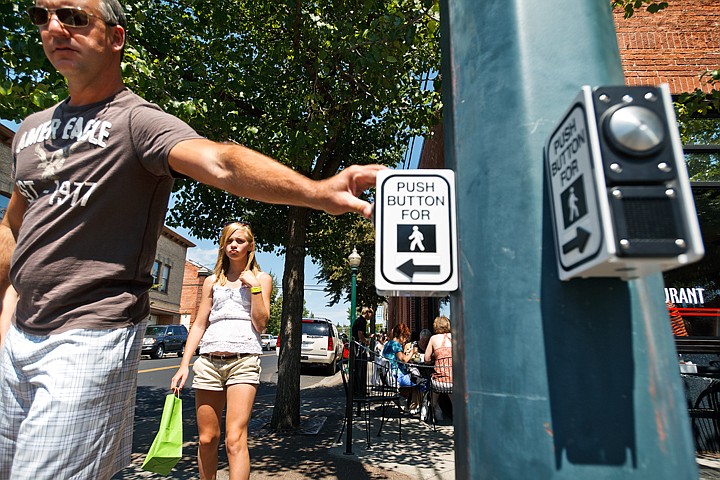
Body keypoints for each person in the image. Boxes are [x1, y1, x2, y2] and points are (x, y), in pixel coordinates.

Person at [0, 0, 382, 477]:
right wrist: (5, 317)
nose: (55, 27)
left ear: (115, 38)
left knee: (228, 438)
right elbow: (15, 224)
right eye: (42, 16)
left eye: (74, 16)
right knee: (202, 439)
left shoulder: (137, 121)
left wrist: (316, 192)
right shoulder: (31, 131)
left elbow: (221, 161)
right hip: (17, 341)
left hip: (90, 334)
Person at [170, 222, 270, 480]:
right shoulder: (213, 281)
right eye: (229, 241)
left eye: (239, 241)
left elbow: (261, 323)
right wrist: (184, 365)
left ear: (250, 246)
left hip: (243, 362)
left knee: (234, 439)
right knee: (206, 439)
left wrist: (254, 288)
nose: (233, 245)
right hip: (208, 363)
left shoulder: (261, 279)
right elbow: (200, 324)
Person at [382, 323, 421, 414]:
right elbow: (404, 359)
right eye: (405, 337)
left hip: (389, 374)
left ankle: (402, 399)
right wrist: (412, 352)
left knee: (414, 378)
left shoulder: (388, 344)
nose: (405, 340)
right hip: (396, 376)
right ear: (400, 335)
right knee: (419, 380)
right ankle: (411, 405)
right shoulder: (396, 345)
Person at [424, 316, 453, 422]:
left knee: (434, 390)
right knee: (453, 394)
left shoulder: (433, 338)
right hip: (454, 381)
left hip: (439, 382)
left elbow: (426, 359)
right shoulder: (455, 337)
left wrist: (435, 357)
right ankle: (458, 418)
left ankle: (432, 413)